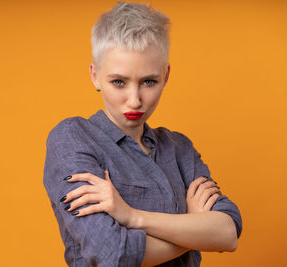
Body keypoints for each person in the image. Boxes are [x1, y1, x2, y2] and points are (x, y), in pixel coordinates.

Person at [43, 2, 242, 266]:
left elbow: (228, 233)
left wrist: (133, 217)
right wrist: (196, 229)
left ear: (166, 75)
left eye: (149, 81)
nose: (135, 100)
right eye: (119, 82)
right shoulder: (72, 138)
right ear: (95, 76)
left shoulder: (179, 148)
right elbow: (112, 254)